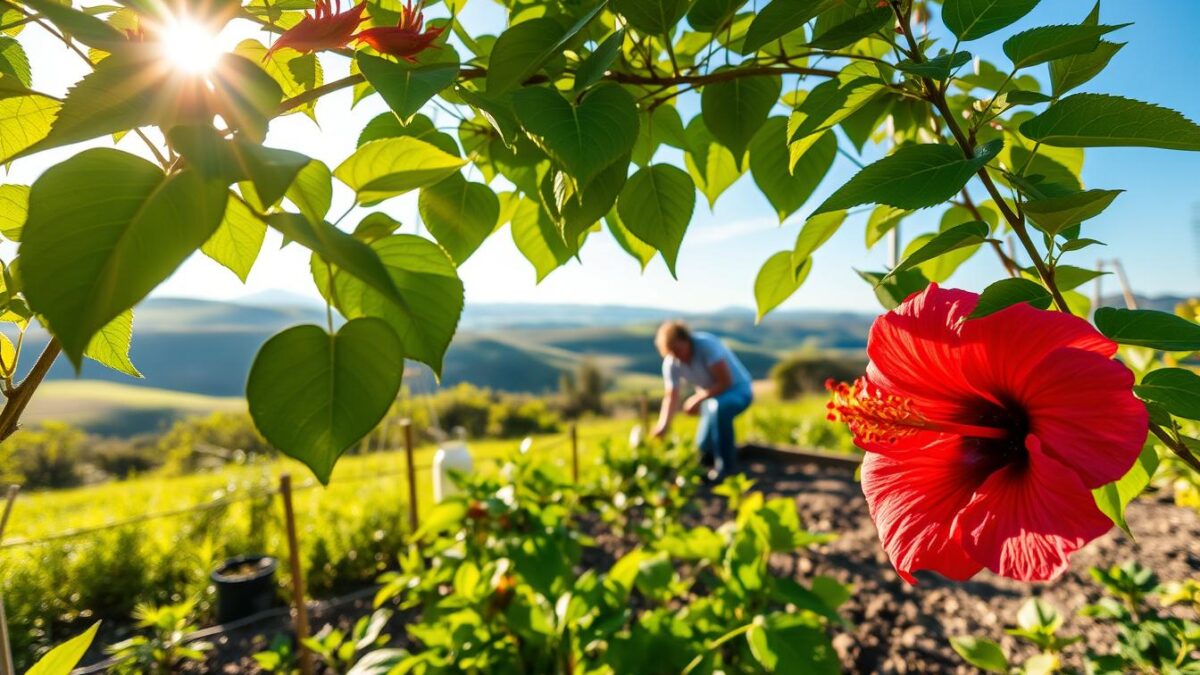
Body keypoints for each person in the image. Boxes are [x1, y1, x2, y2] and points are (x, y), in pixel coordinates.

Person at [650, 320, 754, 480]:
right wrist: (663, 426)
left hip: (738, 392)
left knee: (720, 408)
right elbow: (672, 396)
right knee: (703, 446)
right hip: (712, 401)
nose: (677, 356)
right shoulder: (672, 362)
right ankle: (713, 463)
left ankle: (726, 469)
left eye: (678, 350)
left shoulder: (706, 346)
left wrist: (698, 398)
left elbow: (725, 382)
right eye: (672, 353)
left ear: (686, 340)